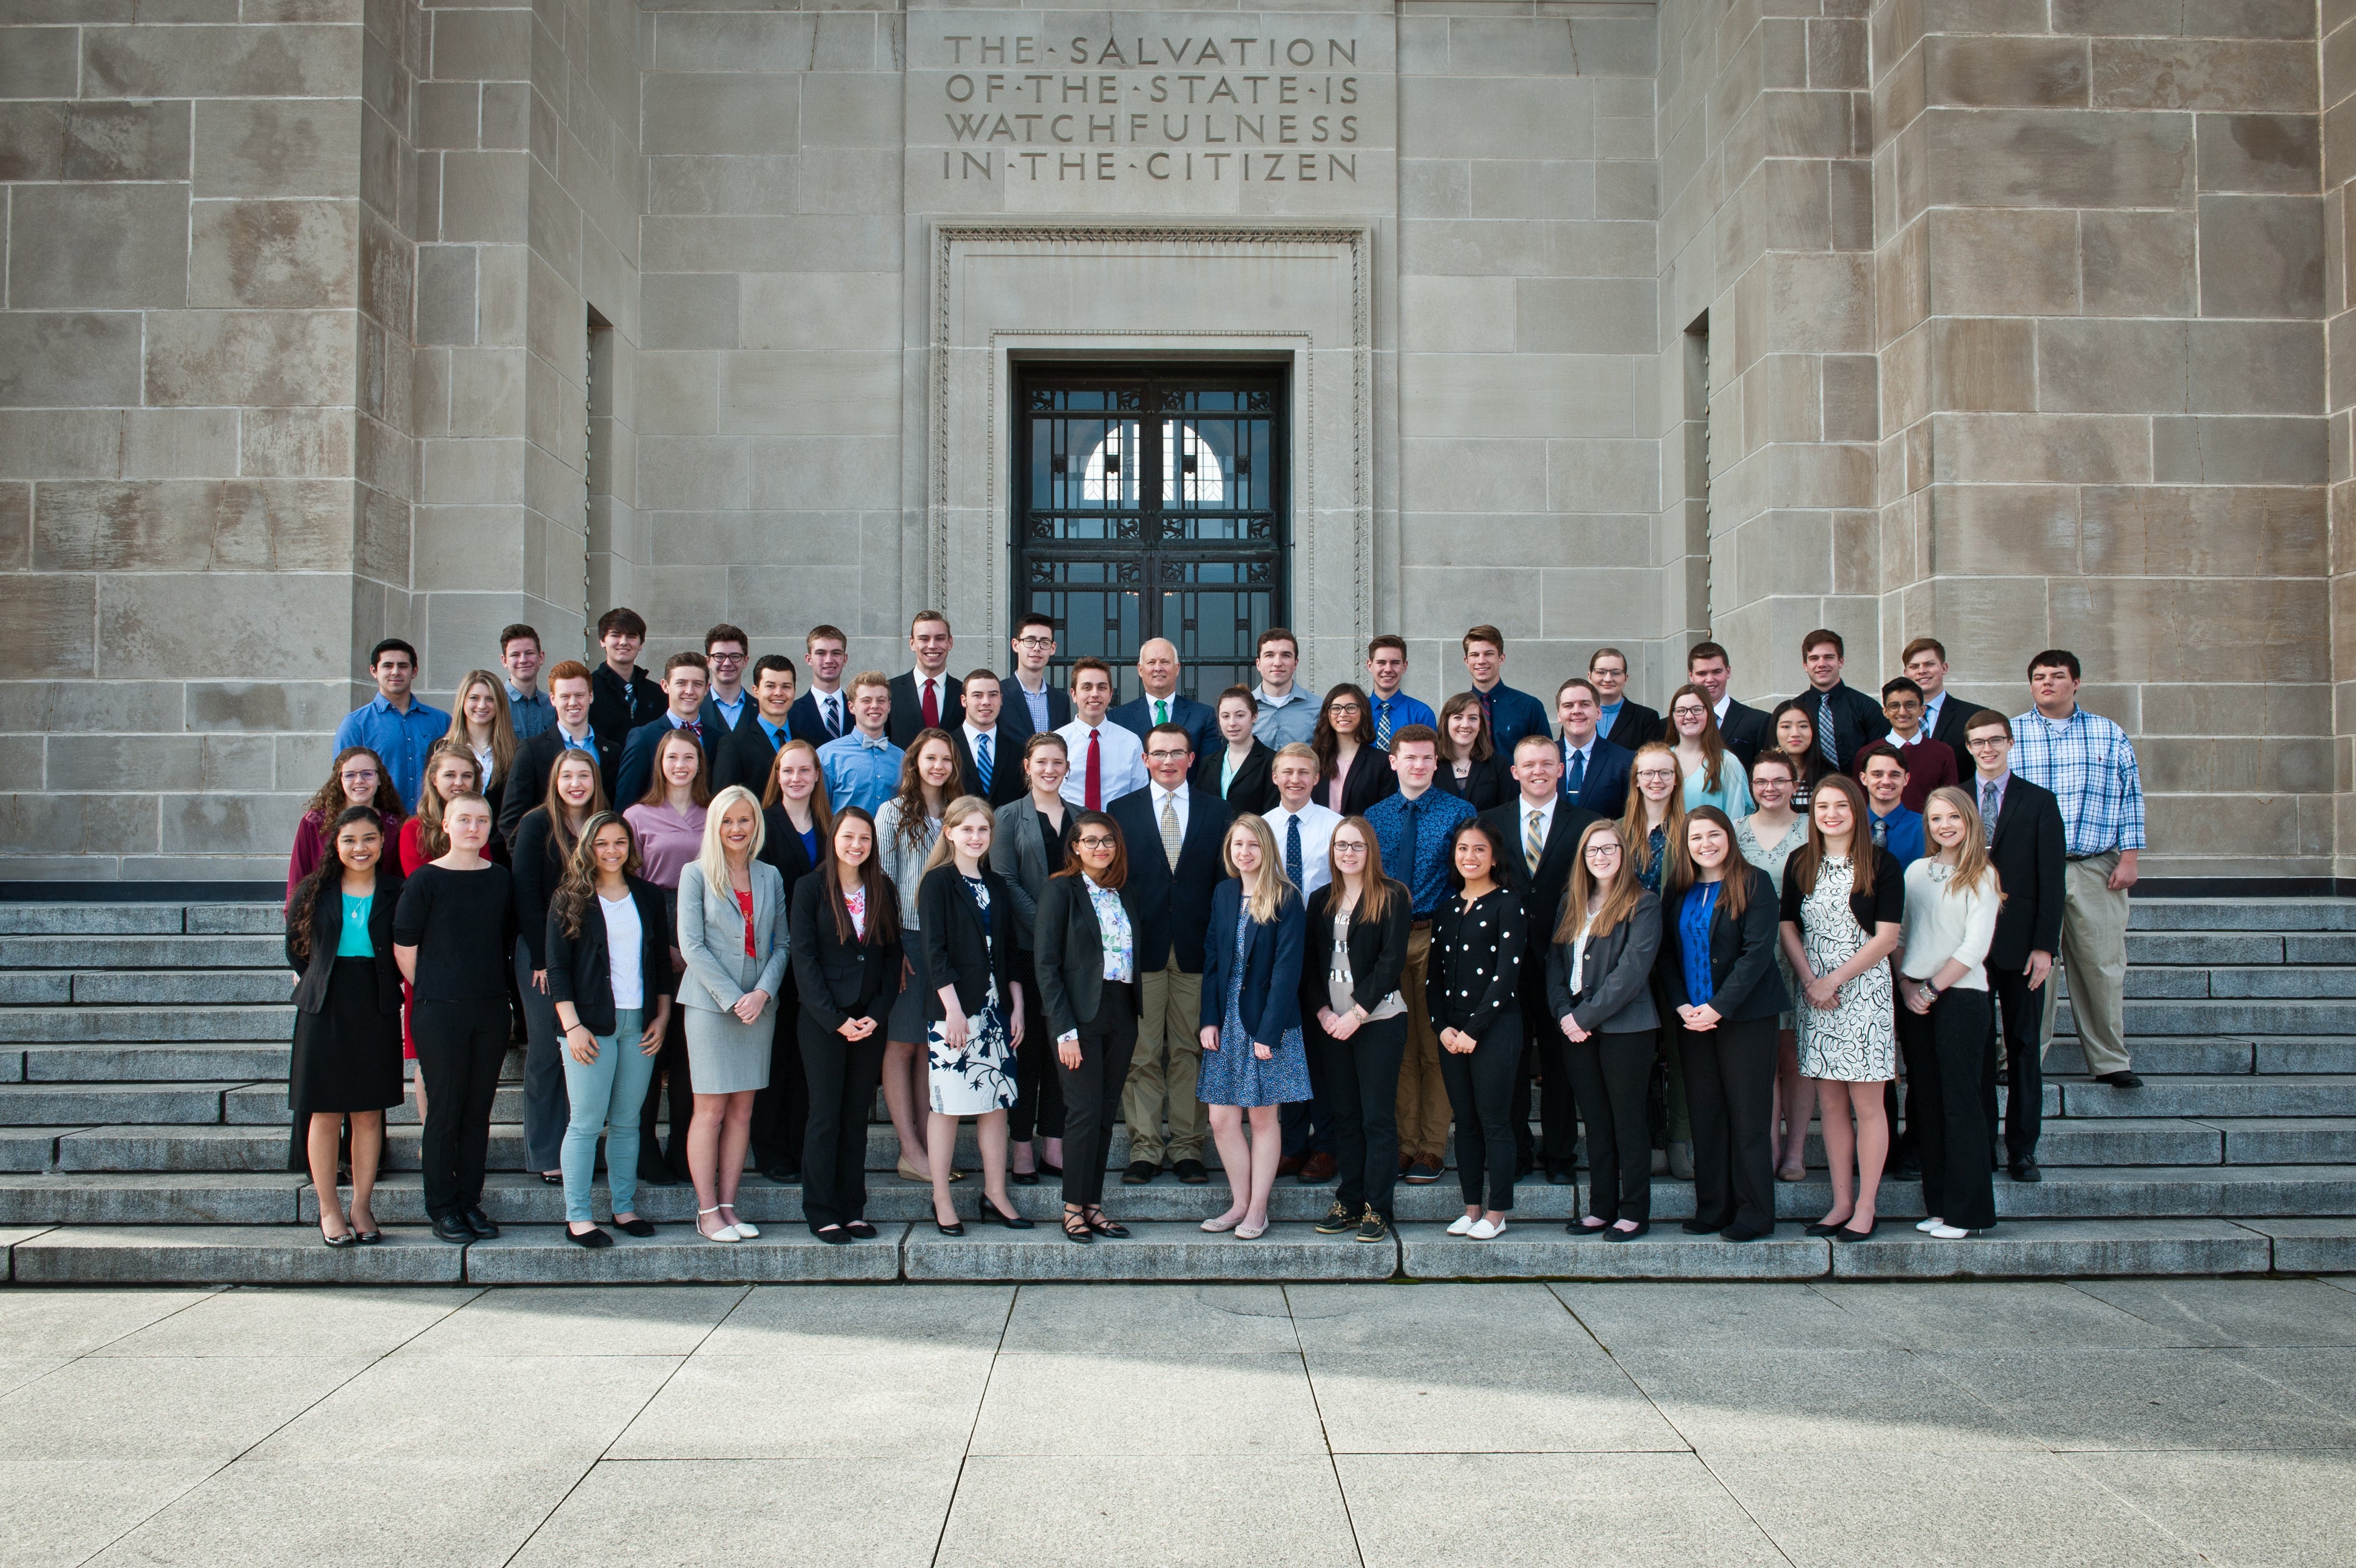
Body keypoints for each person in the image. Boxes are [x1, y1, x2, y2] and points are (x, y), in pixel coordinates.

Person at [2012, 649, 2145, 1089]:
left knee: (2101, 966)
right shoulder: (2011, 736)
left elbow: (2130, 797)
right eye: (2038, 677)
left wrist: (2130, 856)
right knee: (2033, 970)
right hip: (2030, 871)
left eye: (2057, 676)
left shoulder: (2108, 734)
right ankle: (2023, 1057)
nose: (2046, 683)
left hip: (2094, 866)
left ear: (2076, 682)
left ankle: (2110, 1060)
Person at [1779, 773, 1904, 1242]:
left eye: (1841, 806)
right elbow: (1788, 926)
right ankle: (1840, 1202)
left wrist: (1833, 978)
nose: (1831, 814)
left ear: (1857, 809)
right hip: (1816, 997)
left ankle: (1867, 1205)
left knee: (1867, 1104)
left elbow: (1888, 937)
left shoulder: (1880, 864)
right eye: (1822, 806)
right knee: (1829, 1104)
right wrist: (1812, 981)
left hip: (1863, 994)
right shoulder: (1801, 861)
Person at [392, 792, 517, 1244]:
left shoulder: (500, 879)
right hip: (438, 1010)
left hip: (489, 1008)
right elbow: (405, 946)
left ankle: (469, 1200)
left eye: (481, 820)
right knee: (444, 1109)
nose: (473, 827)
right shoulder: (425, 880)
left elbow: (505, 939)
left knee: (477, 1110)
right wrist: (436, 988)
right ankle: (441, 1205)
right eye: (463, 819)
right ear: (445, 825)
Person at [544, 812, 673, 1248]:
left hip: (638, 1023)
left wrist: (662, 1016)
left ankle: (623, 1207)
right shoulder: (570, 897)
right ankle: (578, 1216)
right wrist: (572, 1026)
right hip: (590, 1026)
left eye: (620, 842)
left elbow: (658, 963)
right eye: (602, 843)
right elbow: (557, 969)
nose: (612, 851)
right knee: (584, 1123)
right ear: (588, 848)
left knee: (627, 1121)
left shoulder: (648, 896)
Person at [1662, 808, 1790, 1241]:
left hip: (1744, 1017)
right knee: (1706, 1115)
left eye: (1713, 834)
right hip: (1692, 1021)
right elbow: (1664, 957)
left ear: (1729, 837)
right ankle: (1713, 1207)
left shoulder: (1753, 883)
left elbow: (1757, 955)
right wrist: (1682, 1006)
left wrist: (1717, 1007)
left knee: (1747, 1116)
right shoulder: (1679, 891)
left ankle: (1754, 1213)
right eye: (1695, 837)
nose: (1705, 844)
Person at [1111, 721, 1230, 1184]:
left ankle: (1186, 1148)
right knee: (1140, 1055)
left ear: (1191, 759)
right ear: (1144, 759)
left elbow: (1226, 884)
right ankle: (1144, 1147)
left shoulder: (1217, 811)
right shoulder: (1120, 812)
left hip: (1197, 951)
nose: (1167, 761)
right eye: (1158, 753)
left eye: (1176, 753)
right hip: (1141, 952)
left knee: (1189, 1051)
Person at [1481, 734, 1599, 1185]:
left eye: (1546, 763)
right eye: (1528, 764)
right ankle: (1517, 1153)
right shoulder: (1488, 822)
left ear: (1559, 769)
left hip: (1564, 957)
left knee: (1560, 1061)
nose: (1537, 771)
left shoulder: (1586, 823)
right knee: (1508, 1061)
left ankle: (1560, 1156)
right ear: (1514, 771)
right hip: (1505, 960)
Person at [286, 806, 404, 1246]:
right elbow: (296, 950)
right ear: (335, 843)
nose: (360, 848)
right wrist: (319, 978)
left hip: (374, 1003)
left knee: (369, 1111)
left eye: (369, 838)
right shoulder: (313, 891)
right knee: (325, 1109)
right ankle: (329, 1208)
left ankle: (361, 1204)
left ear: (381, 842)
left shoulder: (398, 890)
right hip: (325, 1006)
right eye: (350, 839)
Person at [1364, 725, 1477, 1185]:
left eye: (1426, 758)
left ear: (1437, 763)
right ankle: (1404, 1144)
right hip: (1389, 940)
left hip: (1438, 935)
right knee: (1400, 1045)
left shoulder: (1459, 812)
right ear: (1392, 761)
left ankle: (1431, 1146)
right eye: (1408, 757)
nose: (1418, 765)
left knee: (1435, 1045)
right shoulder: (1374, 815)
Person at [676, 785, 788, 1243]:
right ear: (715, 825)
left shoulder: (770, 875)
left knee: (742, 1111)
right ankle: (706, 1212)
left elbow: (782, 943)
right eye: (727, 820)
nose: (736, 829)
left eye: (744, 820)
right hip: (710, 1006)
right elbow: (692, 945)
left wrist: (760, 993)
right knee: (711, 1111)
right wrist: (733, 997)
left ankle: (728, 1205)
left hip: (758, 1008)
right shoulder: (695, 874)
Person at [918, 797, 1031, 1234]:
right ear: (949, 832)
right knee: (946, 1107)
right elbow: (934, 951)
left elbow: (1008, 952)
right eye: (966, 829)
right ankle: (941, 1197)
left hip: (995, 1012)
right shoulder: (937, 883)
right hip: (953, 1012)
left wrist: (1016, 1005)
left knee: (996, 1106)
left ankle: (996, 1193)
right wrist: (952, 1011)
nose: (975, 837)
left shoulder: (996, 885)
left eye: (982, 830)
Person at [790, 807, 903, 1242]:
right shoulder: (810, 887)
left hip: (870, 1020)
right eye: (849, 837)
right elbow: (804, 959)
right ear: (834, 838)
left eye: (865, 840)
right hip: (824, 1021)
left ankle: (852, 1208)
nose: (856, 846)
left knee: (856, 1116)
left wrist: (877, 1012)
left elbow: (892, 956)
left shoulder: (883, 887)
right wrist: (836, 1020)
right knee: (825, 1115)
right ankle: (821, 1210)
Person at [1544, 816, 1661, 1239]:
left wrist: (1583, 1017)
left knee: (1627, 1119)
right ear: (1583, 858)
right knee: (1594, 1120)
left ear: (1623, 854)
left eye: (1609, 848)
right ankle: (1600, 1208)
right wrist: (1563, 1014)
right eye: (1593, 850)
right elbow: (1555, 964)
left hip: (1625, 1028)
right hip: (1575, 1026)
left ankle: (1633, 1211)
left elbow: (1631, 972)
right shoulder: (1570, 902)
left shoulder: (1642, 903)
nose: (1600, 856)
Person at [1196, 813, 1309, 1239]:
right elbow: (1212, 960)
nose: (1244, 852)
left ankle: (1258, 1209)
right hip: (1226, 1022)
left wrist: (1269, 1032)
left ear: (1267, 849)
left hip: (1267, 1024)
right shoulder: (1224, 893)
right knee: (1222, 1120)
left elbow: (1287, 969)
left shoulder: (1284, 896)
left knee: (1263, 1120)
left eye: (1252, 845)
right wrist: (1208, 1018)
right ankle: (1238, 1203)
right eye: (1237, 844)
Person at [1033, 811, 1143, 1242]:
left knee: (1103, 1114)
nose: (1101, 848)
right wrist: (1064, 1030)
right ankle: (1072, 1208)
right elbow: (1046, 966)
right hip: (1078, 1015)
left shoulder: (1125, 892)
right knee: (1081, 1111)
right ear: (1075, 847)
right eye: (1091, 840)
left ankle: (1094, 1205)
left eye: (1108, 841)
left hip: (1121, 1009)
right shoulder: (1060, 890)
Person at [1964, 709, 2066, 1180]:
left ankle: (2022, 1149)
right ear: (1967, 747)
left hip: (2021, 947)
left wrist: (2045, 946)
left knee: (2024, 1047)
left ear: (2009, 744)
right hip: (1968, 951)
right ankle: (1981, 1145)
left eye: (1995, 740)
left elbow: (2051, 879)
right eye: (1978, 742)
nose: (1987, 749)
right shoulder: (1955, 799)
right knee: (1978, 1051)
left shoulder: (2039, 802)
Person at [1898, 787, 2002, 1240]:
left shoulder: (1981, 874)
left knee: (1961, 1104)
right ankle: (1939, 1205)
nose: (1944, 826)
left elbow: (1974, 947)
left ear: (1969, 822)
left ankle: (1968, 1213)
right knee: (1928, 1104)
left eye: (1953, 818)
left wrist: (1931, 987)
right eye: (1936, 818)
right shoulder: (1916, 871)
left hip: (1959, 997)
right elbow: (1900, 933)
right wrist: (1906, 986)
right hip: (1916, 998)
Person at [1302, 816, 1412, 1243]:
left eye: (1357, 845)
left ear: (1371, 850)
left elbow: (1391, 961)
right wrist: (1324, 1013)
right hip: (1332, 1024)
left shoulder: (1391, 896)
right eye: (1341, 845)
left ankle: (1377, 1208)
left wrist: (1357, 1013)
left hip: (1378, 1020)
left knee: (1376, 1118)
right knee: (1344, 1116)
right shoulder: (1320, 899)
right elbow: (1310, 965)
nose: (1348, 853)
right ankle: (1348, 1200)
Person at [876, 729, 968, 1185]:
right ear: (914, 762)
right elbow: (883, 883)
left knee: (928, 1047)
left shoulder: (958, 813)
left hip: (945, 943)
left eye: (946, 759)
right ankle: (909, 1149)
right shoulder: (892, 813)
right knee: (901, 1045)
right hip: (907, 939)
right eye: (930, 758)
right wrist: (892, 948)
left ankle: (928, 1148)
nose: (938, 766)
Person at [1431, 818, 1529, 1239]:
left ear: (1494, 857)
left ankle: (1497, 1212)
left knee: (1494, 1121)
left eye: (1478, 850)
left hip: (1494, 1029)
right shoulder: (1447, 906)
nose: (1469, 857)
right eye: (1462, 849)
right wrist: (1442, 1028)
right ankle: (1471, 1209)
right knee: (1465, 1122)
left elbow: (1506, 976)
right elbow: (1434, 978)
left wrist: (1473, 1028)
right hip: (1452, 1035)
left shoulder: (1509, 902)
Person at [512, 749, 606, 1186]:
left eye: (583, 775)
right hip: (540, 955)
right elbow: (525, 893)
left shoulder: (604, 823)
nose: (575, 783)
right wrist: (540, 958)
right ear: (555, 780)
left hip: (590, 954)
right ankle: (548, 1151)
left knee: (584, 1049)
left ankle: (582, 1145)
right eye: (567, 775)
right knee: (549, 1050)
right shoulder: (536, 824)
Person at [623, 726, 711, 1185]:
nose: (680, 765)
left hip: (704, 927)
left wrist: (696, 945)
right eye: (672, 757)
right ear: (660, 761)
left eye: (689, 757)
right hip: (652, 926)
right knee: (650, 1048)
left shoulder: (712, 812)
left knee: (688, 1049)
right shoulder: (637, 815)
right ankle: (643, 1147)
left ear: (699, 762)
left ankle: (683, 1147)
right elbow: (629, 885)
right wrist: (666, 944)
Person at [992, 732, 1074, 1186]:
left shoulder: (1081, 819)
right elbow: (1003, 879)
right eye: (1041, 761)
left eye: (1057, 762)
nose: (1049, 769)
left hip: (1070, 956)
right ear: (1027, 765)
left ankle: (1055, 1144)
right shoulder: (1006, 817)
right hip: (1023, 952)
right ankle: (1021, 1147)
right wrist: (1047, 926)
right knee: (1025, 1053)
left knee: (1062, 1054)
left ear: (1067, 766)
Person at [750, 737, 829, 1181]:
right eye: (788, 770)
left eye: (804, 770)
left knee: (805, 1058)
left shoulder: (828, 824)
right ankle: (771, 1150)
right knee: (776, 1053)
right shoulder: (762, 824)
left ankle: (802, 1147)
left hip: (815, 956)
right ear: (777, 776)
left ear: (817, 775)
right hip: (772, 954)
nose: (796, 778)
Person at [1266, 741, 1343, 1180]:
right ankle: (1292, 1144)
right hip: (1276, 947)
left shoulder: (1336, 827)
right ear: (1275, 777)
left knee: (1322, 1048)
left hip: (1325, 946)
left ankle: (1326, 1145)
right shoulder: (1260, 827)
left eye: (1303, 772)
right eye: (1286, 772)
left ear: (1317, 778)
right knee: (1286, 1047)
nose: (1294, 779)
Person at [1734, 751, 1813, 1183]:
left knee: (1794, 1055)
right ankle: (1769, 1145)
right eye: (1761, 781)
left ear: (1794, 782)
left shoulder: (1813, 828)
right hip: (1754, 956)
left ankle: (1796, 1150)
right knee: (1763, 1058)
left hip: (1803, 953)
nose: (1769, 788)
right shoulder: (1736, 831)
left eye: (1779, 780)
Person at [333, 638, 449, 810]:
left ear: (415, 671)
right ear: (374, 671)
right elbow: (343, 784)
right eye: (388, 666)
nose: (395, 672)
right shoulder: (356, 725)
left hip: (431, 823)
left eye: (403, 666)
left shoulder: (442, 721)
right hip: (380, 825)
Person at [500, 660, 603, 848]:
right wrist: (531, 863)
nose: (573, 703)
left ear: (591, 696)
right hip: (548, 864)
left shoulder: (610, 750)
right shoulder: (531, 751)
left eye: (579, 695)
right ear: (553, 700)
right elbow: (511, 822)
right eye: (565, 696)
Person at [287, 747, 403, 907]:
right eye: (350, 775)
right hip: (321, 919)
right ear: (339, 780)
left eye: (368, 773)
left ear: (380, 778)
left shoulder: (394, 826)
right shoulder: (314, 823)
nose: (359, 780)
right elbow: (297, 879)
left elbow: (400, 882)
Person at [613, 651, 713, 809]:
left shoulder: (719, 739)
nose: (689, 691)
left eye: (697, 684)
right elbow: (625, 803)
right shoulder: (643, 738)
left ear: (707, 688)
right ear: (665, 686)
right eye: (681, 683)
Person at [589, 607, 665, 799]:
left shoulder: (658, 695)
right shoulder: (587, 691)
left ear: (641, 644)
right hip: (600, 796)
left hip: (649, 797)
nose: (623, 642)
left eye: (631, 636)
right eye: (616, 635)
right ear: (602, 641)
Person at [1793, 628, 1889, 773]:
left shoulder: (1867, 707)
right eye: (1814, 658)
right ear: (1805, 665)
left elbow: (1882, 758)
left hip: (1857, 791)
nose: (1821, 664)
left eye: (1829, 657)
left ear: (1841, 661)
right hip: (1807, 792)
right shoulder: (1793, 710)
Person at [1059, 658, 1147, 809]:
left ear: (1111, 694)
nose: (1095, 694)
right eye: (1087, 687)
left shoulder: (1131, 743)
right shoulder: (1057, 742)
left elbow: (1140, 798)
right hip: (1070, 829)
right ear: (1073, 694)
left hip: (1118, 829)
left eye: (1102, 687)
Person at [1111, 636, 1218, 756]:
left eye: (1165, 662)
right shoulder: (1118, 719)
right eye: (1151, 662)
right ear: (1140, 670)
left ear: (1177, 669)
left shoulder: (1203, 716)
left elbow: (1208, 769)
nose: (1158, 668)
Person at [444, 669, 520, 838]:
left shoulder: (518, 752)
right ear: (463, 702)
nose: (482, 705)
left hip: (501, 854)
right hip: (450, 847)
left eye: (490, 699)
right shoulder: (441, 750)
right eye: (474, 698)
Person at [817, 670, 904, 813]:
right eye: (866, 701)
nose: (875, 706)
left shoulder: (902, 758)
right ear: (851, 707)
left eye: (881, 700)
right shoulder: (828, 756)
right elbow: (819, 811)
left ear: (889, 706)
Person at [1667, 683, 1755, 816]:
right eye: (1681, 711)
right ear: (1673, 717)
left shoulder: (1727, 763)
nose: (1689, 716)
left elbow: (1735, 820)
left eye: (1697, 709)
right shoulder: (1662, 759)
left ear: (1709, 714)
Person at [1309, 683, 1395, 818]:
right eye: (1336, 708)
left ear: (1364, 713)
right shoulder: (1313, 759)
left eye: (1351, 708)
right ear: (1327, 714)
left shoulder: (1382, 763)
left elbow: (1385, 816)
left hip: (1363, 837)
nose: (1343, 714)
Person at [1461, 625, 1550, 753]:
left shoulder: (1529, 707)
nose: (1481, 661)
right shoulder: (1457, 709)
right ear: (1466, 661)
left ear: (1501, 659)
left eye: (1488, 654)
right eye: (1475, 655)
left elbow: (1545, 756)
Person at [716, 652, 796, 794]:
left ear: (794, 691)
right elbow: (723, 803)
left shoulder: (809, 744)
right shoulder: (734, 745)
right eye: (770, 686)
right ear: (756, 691)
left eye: (786, 687)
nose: (778, 693)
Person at [399, 743, 482, 875]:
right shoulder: (414, 830)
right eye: (450, 775)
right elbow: (420, 885)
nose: (459, 783)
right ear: (434, 780)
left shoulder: (478, 825)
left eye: (467, 776)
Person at [1688, 640, 1770, 773]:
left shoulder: (1759, 722)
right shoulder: (1671, 725)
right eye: (1702, 674)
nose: (1710, 679)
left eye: (1717, 672)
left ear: (1728, 672)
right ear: (1691, 676)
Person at [1556, 678, 1632, 819]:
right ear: (1559, 715)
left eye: (1584, 705)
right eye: (1568, 706)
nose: (1576, 711)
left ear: (1598, 712)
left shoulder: (1626, 761)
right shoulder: (1543, 759)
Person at [1879, 677, 1959, 811]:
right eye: (1894, 706)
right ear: (1885, 712)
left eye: (1910, 705)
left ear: (1922, 710)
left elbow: (1951, 802)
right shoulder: (1868, 753)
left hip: (1929, 829)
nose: (1902, 712)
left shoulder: (1943, 752)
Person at [1196, 684, 1277, 817]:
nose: (1232, 723)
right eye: (1226, 716)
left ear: (1254, 716)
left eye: (1239, 715)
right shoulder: (1209, 762)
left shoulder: (1271, 761)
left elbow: (1272, 814)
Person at [889, 610, 966, 745]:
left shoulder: (964, 692)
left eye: (940, 638)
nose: (932, 646)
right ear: (912, 644)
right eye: (924, 639)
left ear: (950, 643)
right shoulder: (890, 691)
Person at [953, 668, 1025, 808]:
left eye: (993, 695)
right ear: (964, 701)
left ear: (1001, 699)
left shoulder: (1018, 751)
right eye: (978, 695)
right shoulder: (947, 747)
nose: (986, 702)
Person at [1001, 612, 1073, 749]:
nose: (1037, 648)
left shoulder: (1061, 700)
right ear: (1016, 645)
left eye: (1044, 642)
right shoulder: (998, 693)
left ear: (1053, 648)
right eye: (1030, 641)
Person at [1432, 692, 1513, 812]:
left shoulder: (1498, 765)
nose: (1465, 725)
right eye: (1458, 717)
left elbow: (1508, 812)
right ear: (1446, 722)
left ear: (1480, 725)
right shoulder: (1432, 764)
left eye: (1473, 718)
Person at [1855, 743, 1928, 865]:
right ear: (1864, 778)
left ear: (1906, 779)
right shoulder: (1851, 826)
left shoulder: (1924, 827)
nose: (1886, 781)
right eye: (1877, 775)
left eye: (1894, 775)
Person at [1903, 636, 1979, 754]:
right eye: (1914, 666)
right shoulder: (1892, 719)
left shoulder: (1973, 715)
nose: (1922, 671)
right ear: (1906, 674)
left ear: (1944, 668)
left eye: (1929, 664)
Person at [1251, 626, 1318, 747]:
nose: (1277, 663)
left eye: (1286, 655)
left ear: (1296, 663)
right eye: (1270, 655)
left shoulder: (1319, 708)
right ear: (1259, 664)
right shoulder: (1243, 707)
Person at [788, 625, 853, 747]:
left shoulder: (860, 710)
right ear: (809, 659)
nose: (829, 660)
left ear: (845, 659)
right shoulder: (791, 713)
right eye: (821, 653)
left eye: (836, 653)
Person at [1364, 634, 1435, 746]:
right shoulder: (1358, 712)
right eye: (1381, 663)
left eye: (1395, 663)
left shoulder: (1421, 714)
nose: (1388, 669)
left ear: (1405, 666)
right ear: (1370, 665)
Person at [1588, 646, 1664, 752]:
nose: (1608, 679)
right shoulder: (1577, 716)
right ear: (1590, 677)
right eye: (1601, 672)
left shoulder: (1646, 719)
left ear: (1626, 678)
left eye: (1616, 673)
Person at [500, 624, 553, 740]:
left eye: (529, 653)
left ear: (541, 657)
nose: (523, 660)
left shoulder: (553, 706)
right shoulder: (495, 704)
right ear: (504, 661)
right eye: (515, 655)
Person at [700, 623, 754, 734]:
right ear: (708, 662)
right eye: (719, 656)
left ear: (745, 661)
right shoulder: (695, 708)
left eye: (735, 656)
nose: (727, 663)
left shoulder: (760, 709)